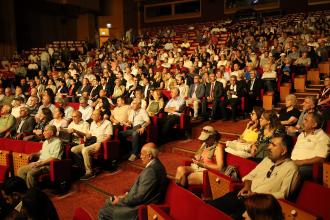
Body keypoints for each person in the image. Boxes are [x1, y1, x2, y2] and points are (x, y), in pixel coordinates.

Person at [208, 134, 300, 219]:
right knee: (211, 207)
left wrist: (257, 195)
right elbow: (250, 176)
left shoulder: (292, 169)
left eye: (273, 145)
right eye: (270, 144)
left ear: (284, 151)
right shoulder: (267, 160)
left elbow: (283, 195)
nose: (268, 147)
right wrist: (247, 186)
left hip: (258, 207)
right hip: (245, 197)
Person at [98, 143, 168, 220]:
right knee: (109, 201)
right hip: (137, 201)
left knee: (103, 212)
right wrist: (126, 195)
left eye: (142, 154)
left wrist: (120, 200)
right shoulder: (158, 165)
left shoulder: (151, 171)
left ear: (149, 156)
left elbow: (139, 198)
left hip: (138, 209)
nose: (140, 157)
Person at [71, 109, 112, 180]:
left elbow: (109, 136)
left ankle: (89, 172)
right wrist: (85, 136)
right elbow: (89, 134)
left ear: (99, 116)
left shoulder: (107, 123)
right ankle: (85, 166)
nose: (91, 116)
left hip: (99, 142)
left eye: (94, 114)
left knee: (85, 150)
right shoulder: (93, 123)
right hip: (91, 141)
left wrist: (101, 143)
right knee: (73, 149)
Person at [291, 112, 330, 180]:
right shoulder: (301, 135)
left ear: (314, 124)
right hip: (293, 163)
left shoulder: (322, 137)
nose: (302, 122)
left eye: (306, 120)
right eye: (303, 119)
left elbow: (321, 158)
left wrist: (301, 162)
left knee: (289, 172)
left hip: (307, 166)